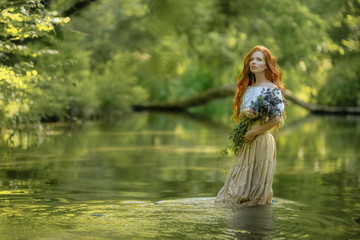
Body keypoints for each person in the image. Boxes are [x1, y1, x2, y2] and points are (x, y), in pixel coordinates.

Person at [215, 45, 286, 206]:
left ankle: (254, 223)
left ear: (267, 65)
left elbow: (276, 119)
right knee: (236, 185)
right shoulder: (248, 89)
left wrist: (254, 133)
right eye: (252, 59)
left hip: (260, 140)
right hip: (247, 140)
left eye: (259, 59)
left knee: (255, 189)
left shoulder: (273, 90)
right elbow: (239, 115)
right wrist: (244, 113)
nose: (254, 62)